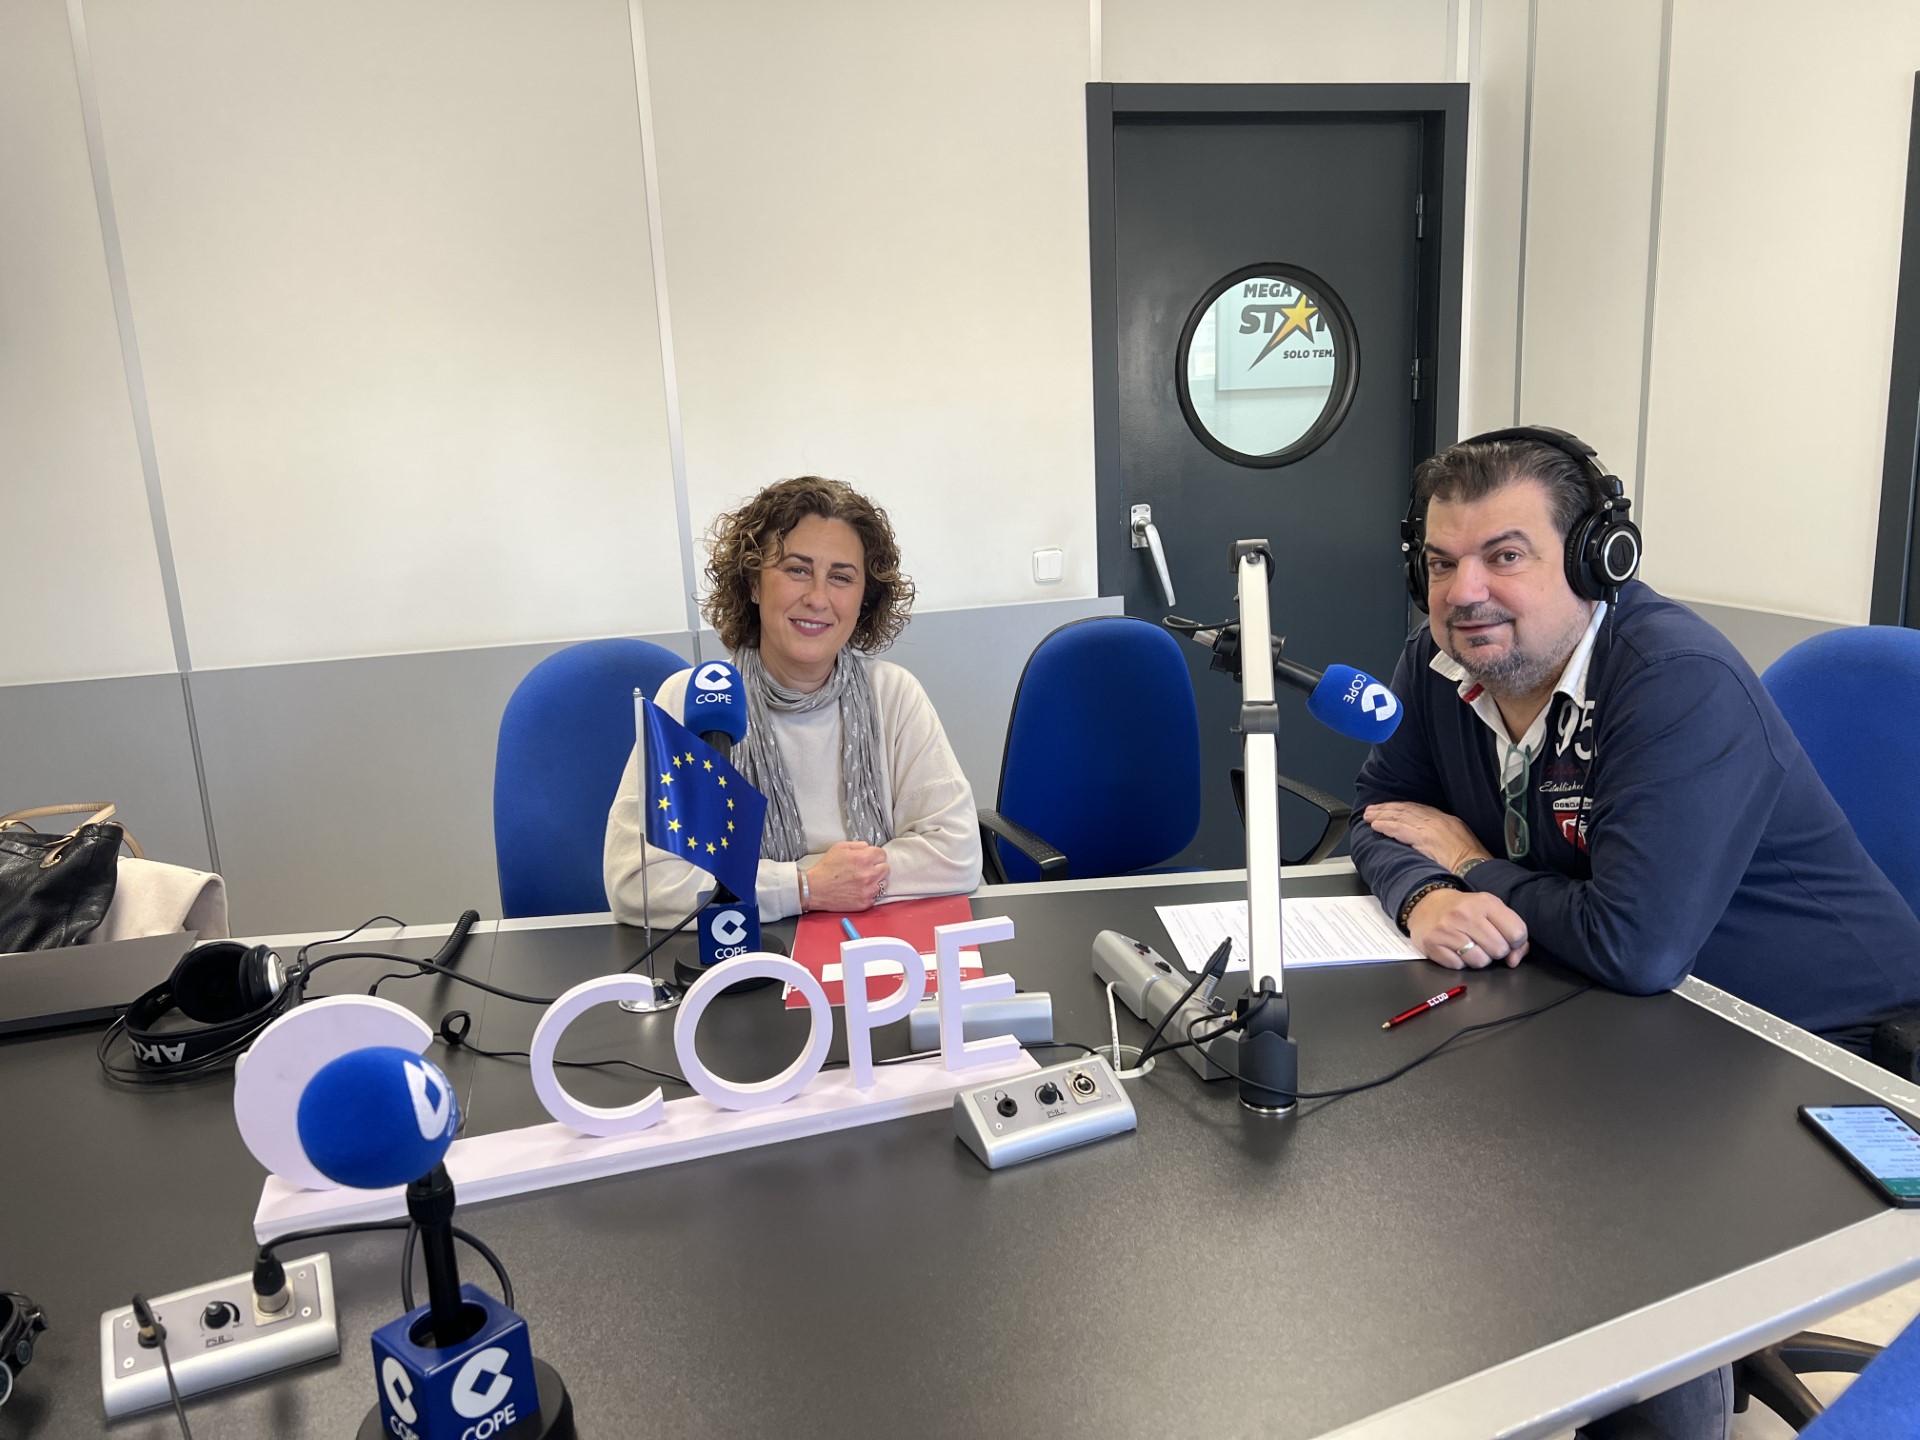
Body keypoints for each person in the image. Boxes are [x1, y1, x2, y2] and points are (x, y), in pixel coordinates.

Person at [1350, 428, 1920, 1054]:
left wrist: (1469, 866)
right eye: (1442, 563)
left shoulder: (1676, 681)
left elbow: (1631, 944)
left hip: (1821, 1040)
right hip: (1614, 1007)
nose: (1464, 593)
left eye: (1506, 556)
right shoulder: (1440, 658)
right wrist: (1424, 897)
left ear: (1595, 561)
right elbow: (1384, 812)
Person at [604, 476, 981, 924]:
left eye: (841, 577)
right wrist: (804, 887)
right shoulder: (693, 699)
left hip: (875, 950)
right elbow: (638, 883)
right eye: (797, 570)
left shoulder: (893, 695)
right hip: (744, 952)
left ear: (864, 600)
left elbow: (956, 852)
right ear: (753, 585)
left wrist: (844, 882)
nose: (818, 598)